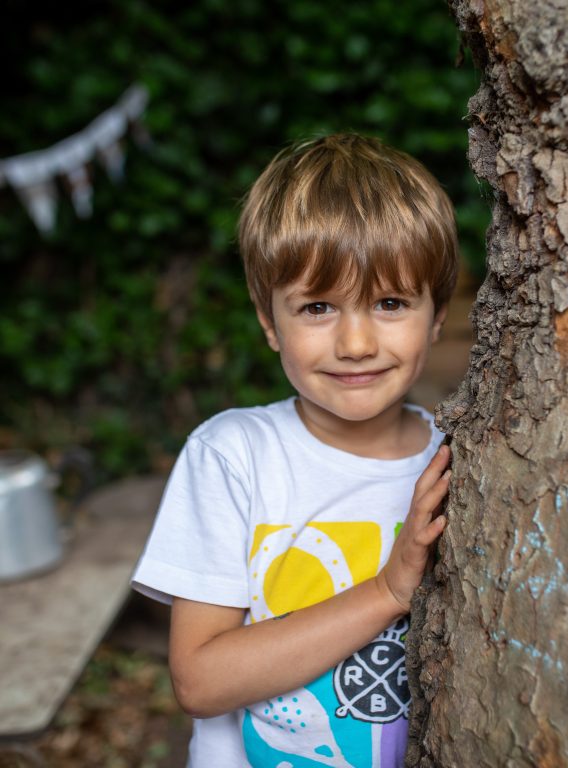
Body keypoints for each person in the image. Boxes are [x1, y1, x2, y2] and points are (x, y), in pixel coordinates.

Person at [132, 133, 459, 768]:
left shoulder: (458, 458)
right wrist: (387, 592)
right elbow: (200, 681)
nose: (357, 342)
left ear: (437, 313)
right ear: (267, 320)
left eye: (390, 303)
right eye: (317, 307)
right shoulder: (234, 457)